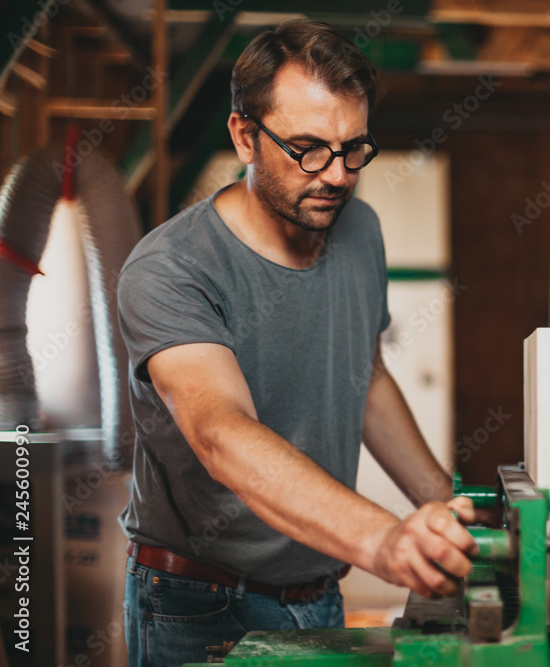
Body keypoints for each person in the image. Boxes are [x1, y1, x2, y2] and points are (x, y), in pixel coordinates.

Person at [116, 19, 477, 667]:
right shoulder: (170, 268)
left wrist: (445, 507)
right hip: (199, 603)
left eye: (354, 149)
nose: (336, 175)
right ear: (245, 136)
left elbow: (363, 378)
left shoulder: (358, 229)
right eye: (308, 149)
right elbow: (220, 433)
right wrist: (384, 540)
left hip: (320, 589)